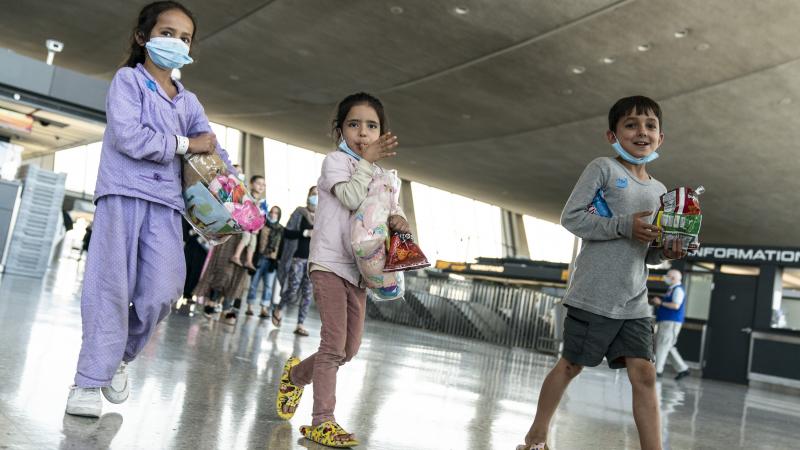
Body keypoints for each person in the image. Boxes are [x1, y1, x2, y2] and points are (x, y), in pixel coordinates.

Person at [66, 1, 234, 418]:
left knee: (163, 291)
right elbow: (129, 136)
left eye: (184, 38)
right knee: (110, 289)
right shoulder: (128, 81)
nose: (175, 43)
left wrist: (235, 190)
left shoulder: (188, 101)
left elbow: (212, 148)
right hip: (121, 194)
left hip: (166, 205)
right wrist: (184, 144)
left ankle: (119, 356)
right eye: (167, 33)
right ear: (142, 37)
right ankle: (87, 382)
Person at [516, 96, 687, 450]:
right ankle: (536, 435)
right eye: (631, 125)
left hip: (635, 300)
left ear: (661, 137)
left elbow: (648, 254)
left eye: (650, 125)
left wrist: (666, 250)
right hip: (594, 293)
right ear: (613, 135)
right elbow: (572, 217)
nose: (642, 132)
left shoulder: (659, 192)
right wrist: (624, 225)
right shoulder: (603, 169)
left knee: (645, 374)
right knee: (570, 367)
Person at [275, 92, 410, 447]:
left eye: (371, 126)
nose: (363, 133)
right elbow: (350, 197)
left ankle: (296, 376)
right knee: (332, 346)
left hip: (362, 271)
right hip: (330, 264)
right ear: (339, 129)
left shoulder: (384, 176)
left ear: (382, 133)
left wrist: (399, 219)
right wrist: (366, 162)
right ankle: (323, 420)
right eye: (354, 125)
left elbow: (392, 209)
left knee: (348, 350)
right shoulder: (335, 162)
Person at [272, 187, 317, 336]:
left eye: (318, 194)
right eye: (313, 194)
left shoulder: (323, 217)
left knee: (307, 293)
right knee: (292, 290)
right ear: (308, 195)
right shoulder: (299, 212)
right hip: (297, 257)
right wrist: (305, 233)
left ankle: (300, 324)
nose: (316, 197)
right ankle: (279, 308)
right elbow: (287, 232)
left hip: (313, 261)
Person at [651, 269, 690, 380]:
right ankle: (683, 369)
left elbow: (676, 306)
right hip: (666, 321)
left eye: (668, 276)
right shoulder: (671, 289)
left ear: (674, 278)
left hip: (671, 322)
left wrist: (661, 303)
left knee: (662, 346)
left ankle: (657, 371)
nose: (666, 278)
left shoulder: (677, 290)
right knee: (668, 346)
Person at [245, 206, 283, 318]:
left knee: (268, 286)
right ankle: (249, 307)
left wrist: (277, 261)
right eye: (271, 212)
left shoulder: (281, 229)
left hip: (272, 261)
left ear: (279, 215)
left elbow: (281, 246)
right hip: (259, 258)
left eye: (276, 213)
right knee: (253, 284)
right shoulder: (262, 225)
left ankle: (264, 309)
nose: (273, 214)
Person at [230, 175, 267, 270]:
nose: (261, 186)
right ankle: (236, 256)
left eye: (263, 184)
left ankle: (249, 261)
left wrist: (258, 228)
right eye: (258, 183)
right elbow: (240, 209)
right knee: (246, 238)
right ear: (251, 184)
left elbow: (263, 217)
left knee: (253, 242)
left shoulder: (263, 202)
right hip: (245, 224)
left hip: (254, 228)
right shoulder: (246, 196)